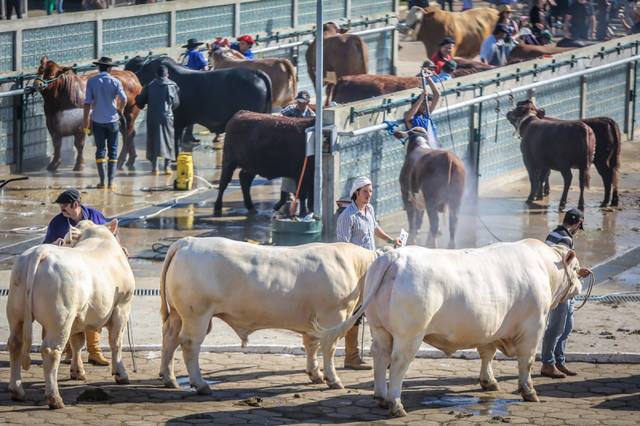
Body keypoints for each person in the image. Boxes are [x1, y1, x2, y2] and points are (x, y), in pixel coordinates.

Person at [336, 176, 401, 370]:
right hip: (356, 271)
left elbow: (374, 228)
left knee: (378, 309)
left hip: (373, 266)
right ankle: (351, 356)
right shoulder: (347, 216)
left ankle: (383, 354)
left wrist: (391, 241)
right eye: (366, 191)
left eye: (371, 191)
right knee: (356, 313)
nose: (369, 195)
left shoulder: (369, 210)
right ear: (356, 193)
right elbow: (343, 246)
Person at [44, 189, 111, 366]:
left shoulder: (95, 216)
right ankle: (68, 352)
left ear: (76, 205)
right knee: (69, 313)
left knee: (95, 309)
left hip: (93, 271)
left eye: (64, 206)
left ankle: (95, 351)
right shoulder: (57, 222)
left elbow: (110, 236)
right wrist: (57, 243)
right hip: (68, 275)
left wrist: (120, 248)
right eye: (60, 206)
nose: (61, 209)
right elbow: (45, 246)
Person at [540, 207, 591, 379]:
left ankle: (559, 359)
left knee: (566, 326)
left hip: (563, 288)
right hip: (562, 290)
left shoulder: (553, 234)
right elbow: (559, 270)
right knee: (556, 328)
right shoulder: (565, 240)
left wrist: (576, 270)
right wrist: (578, 273)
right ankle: (548, 363)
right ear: (577, 224)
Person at [83, 56, 127, 190]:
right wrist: (120, 109)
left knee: (100, 150)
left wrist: (86, 123)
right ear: (109, 68)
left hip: (97, 121)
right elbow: (124, 99)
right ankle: (111, 183)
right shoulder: (115, 82)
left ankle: (102, 183)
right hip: (113, 120)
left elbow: (87, 103)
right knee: (113, 151)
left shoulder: (91, 81)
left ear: (99, 67)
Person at [274, 90, 316, 212]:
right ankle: (283, 199)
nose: (300, 104)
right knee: (287, 175)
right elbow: (279, 118)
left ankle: (302, 203)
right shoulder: (290, 110)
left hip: (303, 151)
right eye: (299, 102)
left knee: (303, 178)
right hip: (289, 149)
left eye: (303, 102)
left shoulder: (311, 116)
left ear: (307, 102)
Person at [135, 65, 181, 176]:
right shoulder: (172, 85)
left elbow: (140, 101)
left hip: (152, 117)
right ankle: (167, 167)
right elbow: (176, 103)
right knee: (168, 140)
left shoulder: (150, 85)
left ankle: (155, 168)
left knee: (153, 140)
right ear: (167, 75)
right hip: (167, 117)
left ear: (156, 75)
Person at [180, 38, 207, 145]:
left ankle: (186, 134)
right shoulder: (197, 54)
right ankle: (188, 135)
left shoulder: (185, 55)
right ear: (196, 46)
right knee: (193, 111)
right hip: (194, 82)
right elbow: (205, 67)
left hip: (183, 83)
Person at [404, 68, 440, 145]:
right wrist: (421, 98)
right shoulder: (411, 117)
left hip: (431, 145)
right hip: (418, 147)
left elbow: (437, 95)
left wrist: (428, 79)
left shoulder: (426, 114)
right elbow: (408, 117)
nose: (425, 109)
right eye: (424, 106)